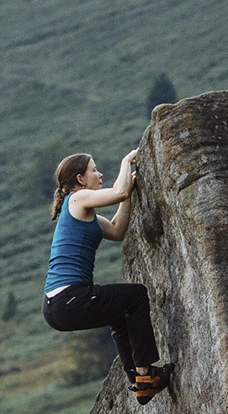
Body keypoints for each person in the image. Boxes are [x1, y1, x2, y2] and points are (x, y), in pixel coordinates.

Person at [42, 148, 174, 405]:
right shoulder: (76, 200)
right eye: (94, 170)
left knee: (120, 315)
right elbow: (118, 191)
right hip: (68, 298)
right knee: (136, 296)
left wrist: (128, 196)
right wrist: (126, 161)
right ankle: (146, 375)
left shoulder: (86, 213)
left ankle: (139, 381)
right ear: (80, 179)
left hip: (59, 304)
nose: (99, 174)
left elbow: (116, 230)